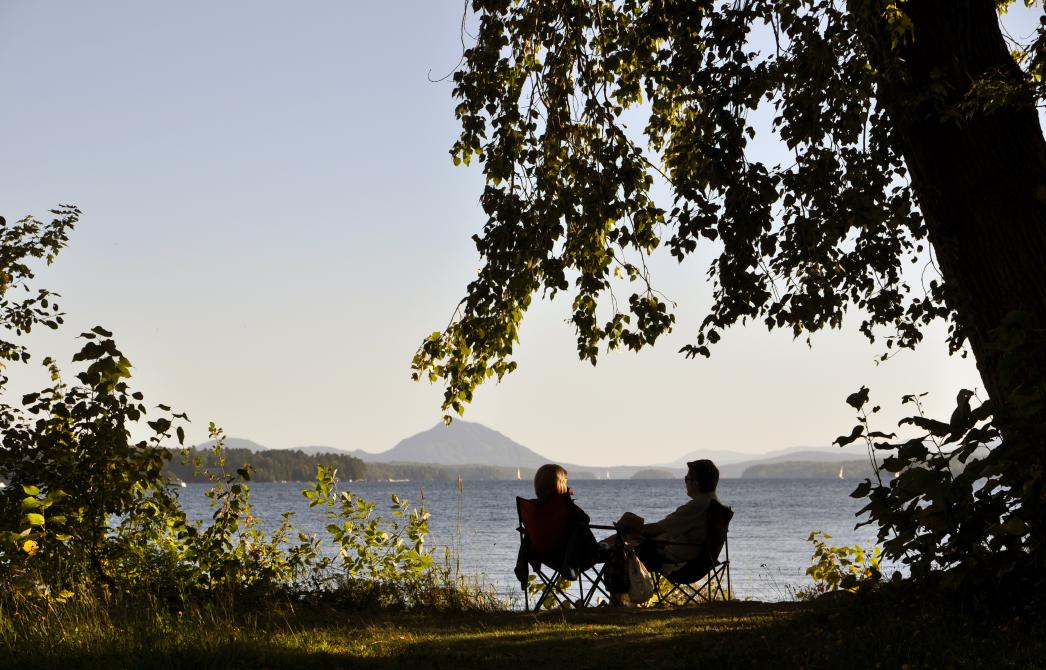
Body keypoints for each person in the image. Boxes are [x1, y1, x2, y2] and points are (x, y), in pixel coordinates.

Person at [610, 459, 721, 573]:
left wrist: (629, 530)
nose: (685, 482)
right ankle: (604, 546)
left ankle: (602, 548)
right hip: (698, 562)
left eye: (686, 478)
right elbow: (672, 530)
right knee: (631, 532)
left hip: (677, 564)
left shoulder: (698, 506)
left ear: (696, 483)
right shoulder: (714, 504)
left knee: (625, 537)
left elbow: (656, 529)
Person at [515, 464, 600, 584]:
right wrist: (569, 500)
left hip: (546, 556)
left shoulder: (535, 510)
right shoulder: (564, 506)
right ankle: (618, 599)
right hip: (576, 558)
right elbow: (585, 519)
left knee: (612, 543)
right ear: (560, 483)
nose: (567, 484)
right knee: (620, 548)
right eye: (565, 481)